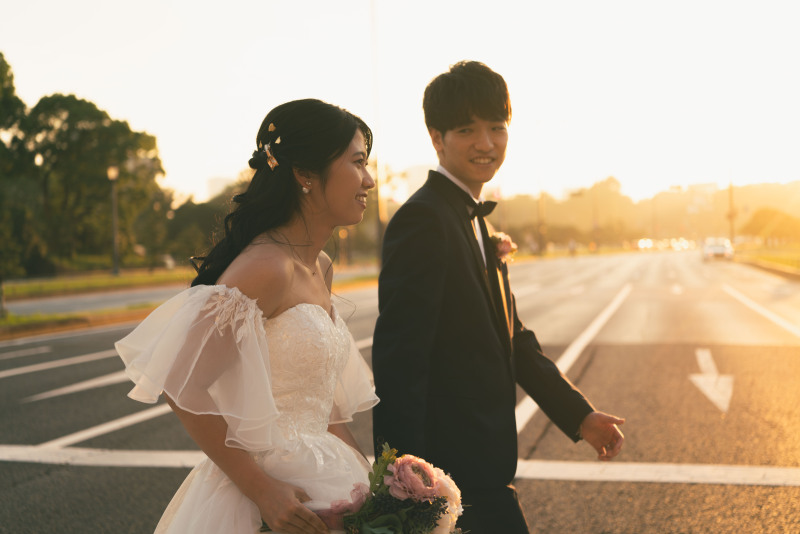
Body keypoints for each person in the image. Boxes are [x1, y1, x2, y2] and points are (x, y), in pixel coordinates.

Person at [371, 61, 625, 534]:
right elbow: (399, 360)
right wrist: (402, 487)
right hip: (446, 479)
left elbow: (513, 338)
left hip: (482, 469)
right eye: (467, 129)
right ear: (436, 138)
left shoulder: (473, 220)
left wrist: (579, 415)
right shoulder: (424, 220)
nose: (486, 143)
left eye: (497, 127)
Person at [115, 99, 378, 534]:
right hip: (263, 492)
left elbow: (322, 400)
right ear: (305, 175)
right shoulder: (267, 267)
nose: (369, 179)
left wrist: (367, 482)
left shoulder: (321, 266)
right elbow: (182, 383)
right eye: (358, 163)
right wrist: (261, 490)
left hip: (326, 472)